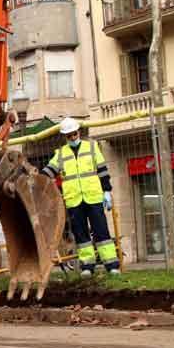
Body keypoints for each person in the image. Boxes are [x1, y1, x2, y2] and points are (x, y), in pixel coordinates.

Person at [41, 117, 119, 277]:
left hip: (94, 196)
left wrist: (107, 191)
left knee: (101, 231)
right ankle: (87, 266)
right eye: (69, 135)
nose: (72, 137)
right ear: (65, 136)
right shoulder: (61, 154)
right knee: (81, 234)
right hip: (74, 200)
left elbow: (102, 171)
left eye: (74, 134)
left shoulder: (92, 147)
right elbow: (49, 171)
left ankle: (111, 265)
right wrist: (35, 176)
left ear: (79, 132)